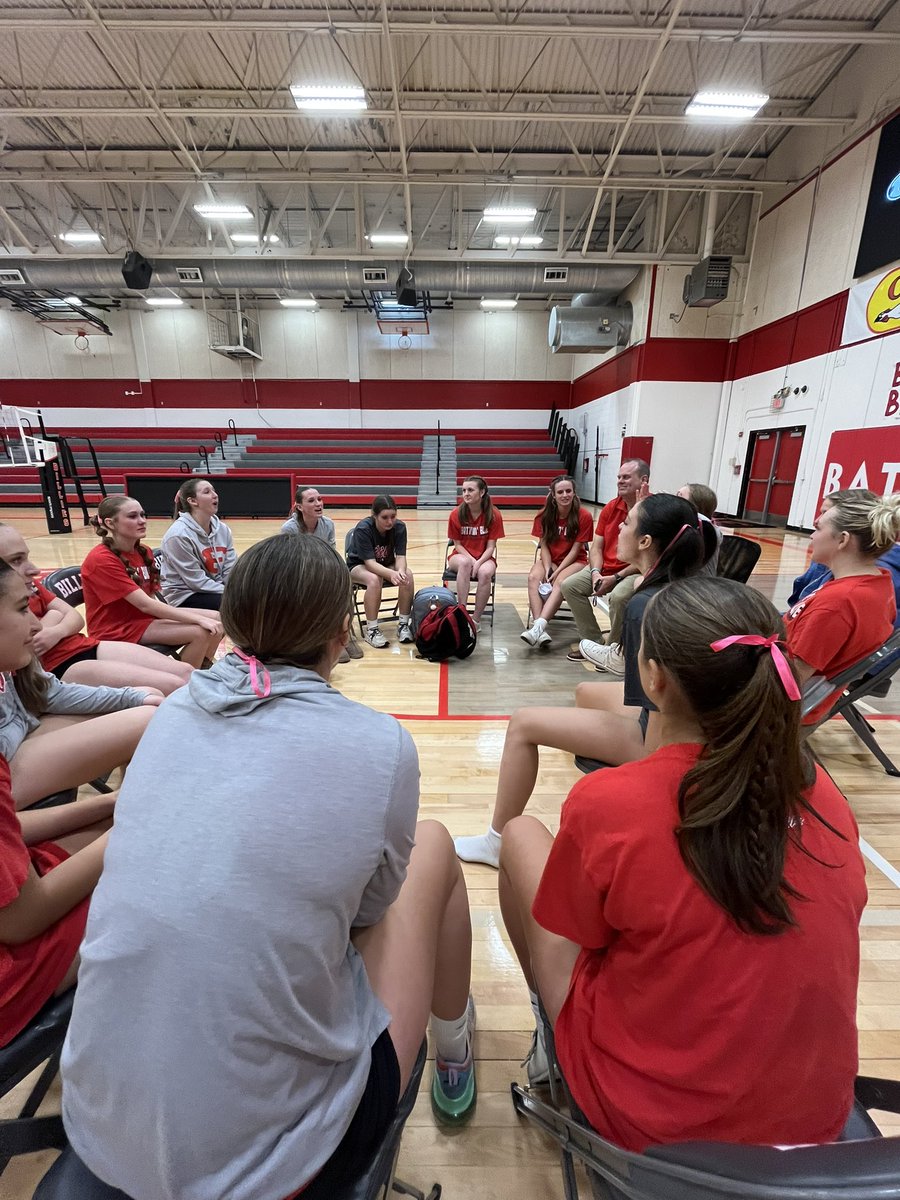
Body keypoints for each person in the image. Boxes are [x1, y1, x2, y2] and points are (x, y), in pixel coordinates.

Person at [58, 534, 476, 1200]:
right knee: (435, 850)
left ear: (232, 622)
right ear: (344, 631)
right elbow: (370, 913)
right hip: (267, 1168)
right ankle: (454, 1046)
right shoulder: (382, 745)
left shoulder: (168, 717)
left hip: (99, 1125)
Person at [499, 576, 866, 1151]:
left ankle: (556, 1043)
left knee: (521, 835)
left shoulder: (610, 801)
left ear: (653, 677)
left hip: (658, 1128)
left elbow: (582, 935)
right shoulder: (824, 799)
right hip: (816, 1118)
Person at [456, 495, 714, 883]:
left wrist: (652, 778)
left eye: (628, 525)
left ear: (646, 542)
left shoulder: (644, 606)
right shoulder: (682, 584)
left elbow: (658, 717)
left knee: (523, 724)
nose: (619, 529)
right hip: (697, 715)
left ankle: (496, 839)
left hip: (668, 735)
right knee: (585, 693)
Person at [0, 559, 118, 1049]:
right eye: (22, 607)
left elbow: (12, 832)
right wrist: (139, 822)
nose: (35, 623)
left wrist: (111, 807)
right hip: (12, 966)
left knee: (112, 822)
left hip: (16, 898)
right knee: (163, 869)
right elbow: (22, 918)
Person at [0, 523, 192, 697]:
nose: (33, 569)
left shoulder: (30, 585)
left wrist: (55, 631)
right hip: (59, 665)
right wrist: (56, 615)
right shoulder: (101, 558)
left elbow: (75, 618)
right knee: (175, 685)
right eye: (16, 560)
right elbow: (36, 636)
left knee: (187, 673)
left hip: (85, 645)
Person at [785, 489, 900, 724]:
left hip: (779, 705)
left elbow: (791, 679)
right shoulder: (879, 581)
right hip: (795, 688)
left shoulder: (838, 604)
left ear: (843, 539)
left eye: (818, 529)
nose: (811, 536)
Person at [82, 496, 223, 669]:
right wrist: (199, 620)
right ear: (111, 523)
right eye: (133, 517)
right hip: (116, 630)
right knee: (201, 631)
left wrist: (200, 618)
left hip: (143, 621)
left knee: (219, 619)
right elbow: (146, 605)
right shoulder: (101, 559)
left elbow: (151, 600)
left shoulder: (144, 551)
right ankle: (186, 683)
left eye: (143, 515)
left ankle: (202, 668)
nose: (142, 521)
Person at [562, 459, 650, 662]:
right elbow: (597, 547)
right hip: (604, 568)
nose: (620, 481)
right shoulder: (611, 507)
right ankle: (593, 642)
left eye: (626, 477)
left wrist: (616, 577)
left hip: (633, 570)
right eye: (619, 477)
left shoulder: (651, 511)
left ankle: (613, 651)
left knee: (618, 597)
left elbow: (647, 556)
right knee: (570, 586)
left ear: (643, 480)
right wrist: (595, 573)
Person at [521, 475, 593, 648]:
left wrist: (557, 571)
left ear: (574, 493)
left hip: (575, 561)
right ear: (553, 495)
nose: (565, 495)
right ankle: (540, 629)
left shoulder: (584, 516)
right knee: (533, 578)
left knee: (560, 582)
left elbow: (576, 550)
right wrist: (547, 568)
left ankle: (538, 626)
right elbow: (543, 545)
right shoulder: (544, 515)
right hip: (550, 560)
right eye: (560, 492)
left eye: (568, 491)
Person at [346, 495, 415, 649]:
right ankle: (372, 629)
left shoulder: (400, 527)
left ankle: (403, 624)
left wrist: (401, 572)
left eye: (393, 516)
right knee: (374, 579)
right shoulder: (363, 529)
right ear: (374, 515)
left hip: (386, 564)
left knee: (407, 575)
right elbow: (370, 563)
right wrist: (391, 574)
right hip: (358, 565)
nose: (390, 521)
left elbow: (401, 556)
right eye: (384, 517)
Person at [160, 479, 236, 612]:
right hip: (184, 595)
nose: (215, 495)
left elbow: (230, 569)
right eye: (207, 492)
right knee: (238, 605)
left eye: (214, 490)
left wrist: (240, 588)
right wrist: (232, 593)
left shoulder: (223, 530)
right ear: (193, 501)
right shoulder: (178, 535)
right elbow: (196, 582)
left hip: (214, 589)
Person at [447, 476, 504, 631]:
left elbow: (491, 547)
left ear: (482, 492)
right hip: (460, 556)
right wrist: (472, 560)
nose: (466, 493)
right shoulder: (456, 514)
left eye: (470, 490)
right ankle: (462, 613)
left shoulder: (494, 514)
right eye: (464, 490)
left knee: (485, 573)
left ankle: (476, 620)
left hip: (485, 556)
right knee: (465, 564)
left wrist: (478, 563)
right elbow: (457, 545)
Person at [676, 482, 723, 574]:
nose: (674, 500)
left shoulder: (705, 528)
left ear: (693, 506)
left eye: (679, 497)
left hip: (694, 585)